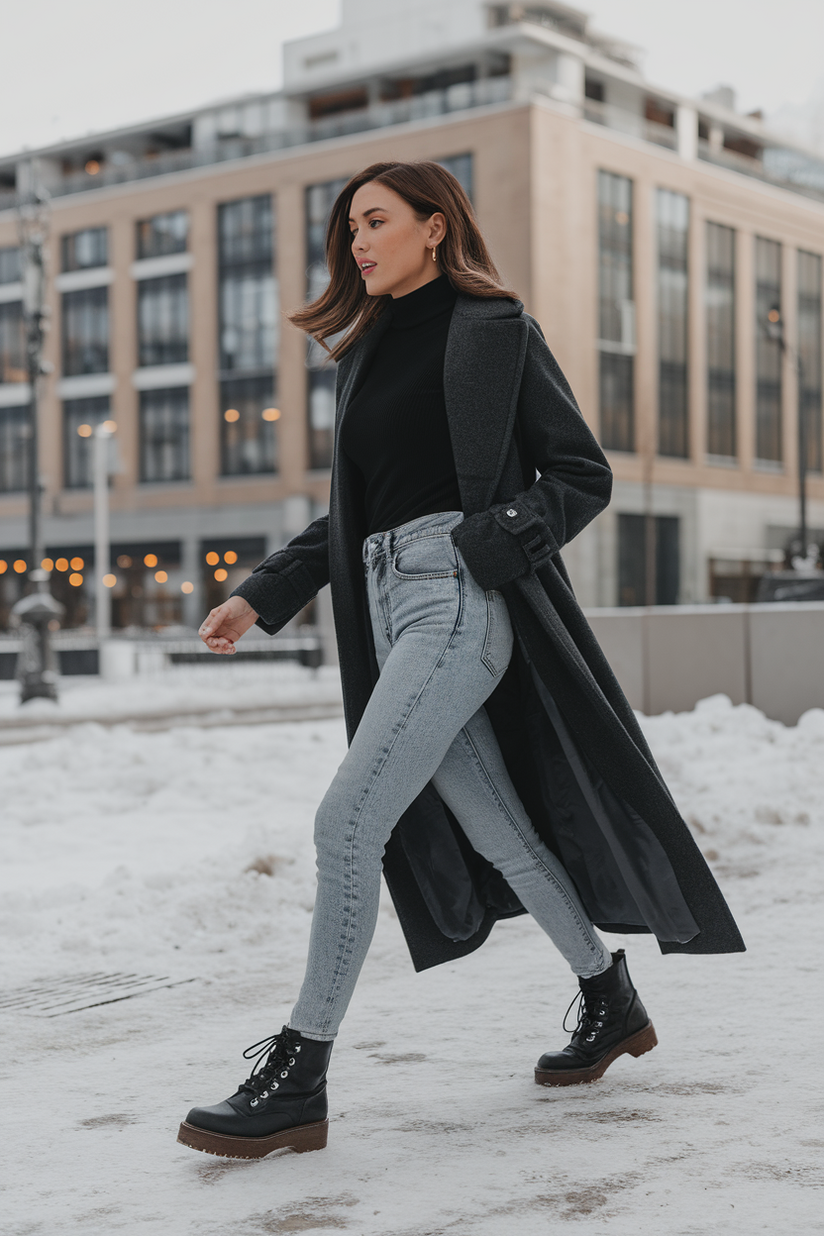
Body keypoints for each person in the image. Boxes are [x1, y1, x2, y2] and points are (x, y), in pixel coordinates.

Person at [177, 160, 744, 1161]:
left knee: (347, 819)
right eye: (349, 225)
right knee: (499, 831)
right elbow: (355, 513)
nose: (356, 240)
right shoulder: (361, 356)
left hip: (453, 600)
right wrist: (260, 593)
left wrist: (488, 544)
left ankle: (298, 1071)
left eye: (377, 220)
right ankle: (606, 998)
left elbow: (580, 473)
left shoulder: (494, 334)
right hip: (387, 598)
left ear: (434, 228)